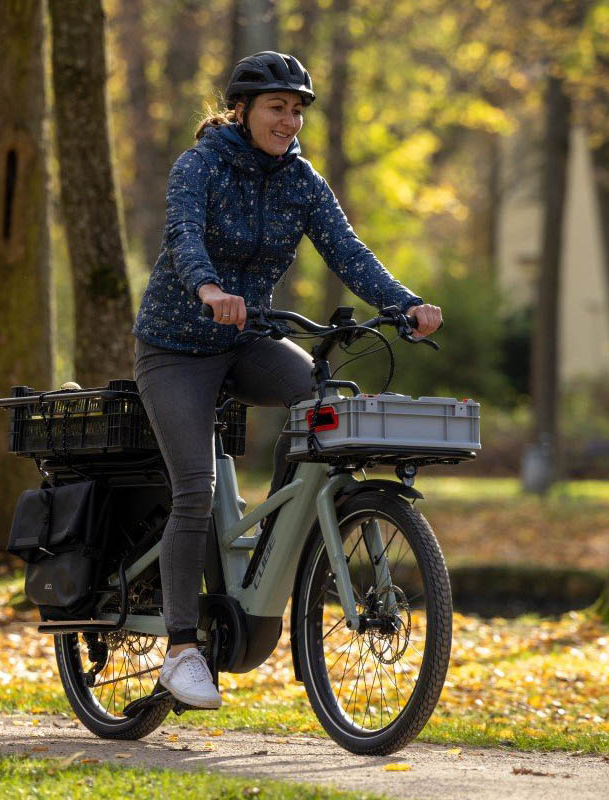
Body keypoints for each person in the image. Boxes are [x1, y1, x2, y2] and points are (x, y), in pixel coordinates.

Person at [132, 51, 442, 709]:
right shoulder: (201, 165)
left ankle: (277, 536)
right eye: (278, 107)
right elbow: (184, 237)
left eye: (298, 109)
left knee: (320, 399)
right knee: (195, 489)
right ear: (242, 112)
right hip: (177, 348)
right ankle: (181, 649)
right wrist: (209, 287)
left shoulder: (300, 181)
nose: (290, 121)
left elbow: (348, 250)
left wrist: (404, 303)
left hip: (248, 341)